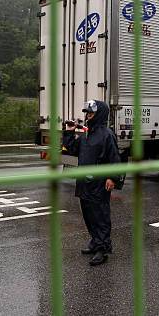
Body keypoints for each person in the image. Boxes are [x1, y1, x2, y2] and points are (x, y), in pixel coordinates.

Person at [62, 99, 123, 266]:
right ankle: (95, 242)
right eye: (87, 113)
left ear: (99, 114)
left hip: (99, 183)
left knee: (100, 216)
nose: (88, 115)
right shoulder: (86, 134)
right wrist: (68, 133)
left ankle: (103, 249)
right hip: (84, 183)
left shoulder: (107, 134)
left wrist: (113, 177)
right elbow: (72, 150)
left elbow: (115, 158)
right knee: (88, 215)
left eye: (91, 113)